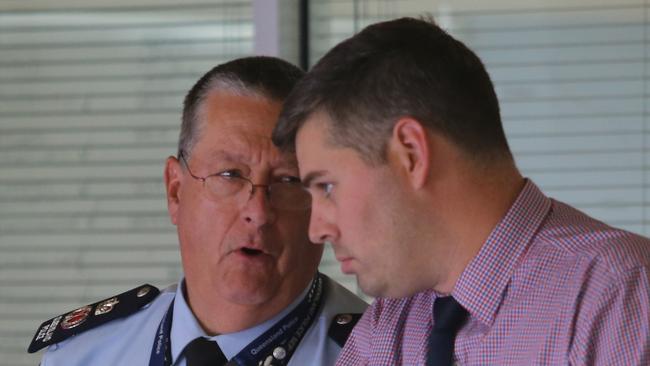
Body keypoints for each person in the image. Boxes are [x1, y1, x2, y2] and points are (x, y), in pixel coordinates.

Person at [272, 17, 650, 365]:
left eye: (327, 186)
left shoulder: (618, 294)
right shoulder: (390, 322)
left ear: (412, 153)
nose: (316, 228)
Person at [28, 56, 367, 366]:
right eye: (230, 175)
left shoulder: (377, 354)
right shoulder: (84, 354)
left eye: (289, 181)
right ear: (175, 191)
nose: (258, 212)